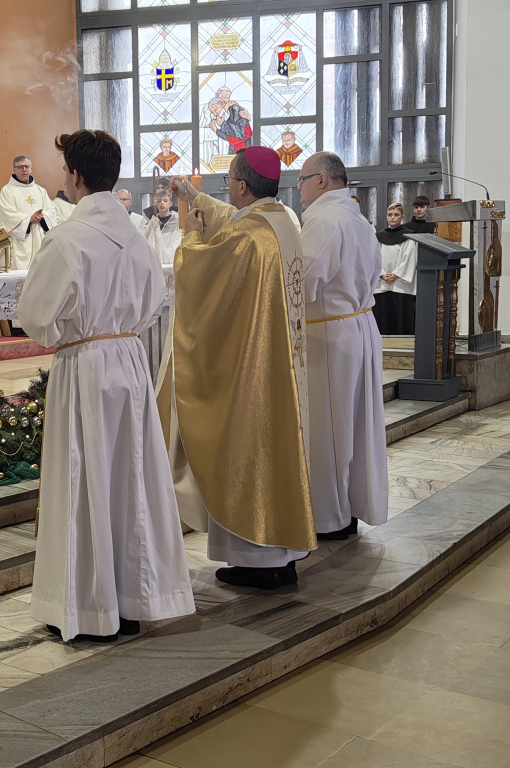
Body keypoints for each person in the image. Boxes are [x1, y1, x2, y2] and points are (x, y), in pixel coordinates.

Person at [17, 129, 194, 643]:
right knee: (131, 476)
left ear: (75, 176)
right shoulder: (138, 239)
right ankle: (136, 598)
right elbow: (154, 301)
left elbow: (36, 317)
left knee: (85, 475)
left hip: (85, 365)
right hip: (129, 360)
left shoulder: (67, 239)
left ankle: (90, 607)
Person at [162, 147, 315, 589]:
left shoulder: (249, 236)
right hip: (286, 363)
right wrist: (192, 195)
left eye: (229, 179)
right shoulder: (280, 223)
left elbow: (200, 273)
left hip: (256, 368)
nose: (227, 186)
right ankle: (284, 554)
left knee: (252, 446)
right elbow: (230, 218)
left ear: (244, 186)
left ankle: (259, 560)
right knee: (282, 450)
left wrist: (190, 237)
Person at [298, 152, 388, 539]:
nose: (299, 189)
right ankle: (350, 507)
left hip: (329, 335)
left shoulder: (325, 220)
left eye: (302, 180)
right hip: (358, 324)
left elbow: (301, 282)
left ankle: (328, 517)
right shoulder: (357, 218)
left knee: (328, 428)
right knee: (353, 426)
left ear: (321, 180)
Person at [0, 155, 57, 270]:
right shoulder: (7, 191)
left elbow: (51, 211)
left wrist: (42, 216)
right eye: (20, 167)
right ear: (14, 170)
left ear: (31, 169)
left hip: (40, 241)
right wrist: (29, 219)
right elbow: (7, 215)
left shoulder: (40, 190)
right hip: (19, 243)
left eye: (26, 166)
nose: (24, 170)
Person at [373, 203, 417, 335]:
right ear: (386, 217)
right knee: (383, 315)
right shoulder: (378, 236)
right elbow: (373, 257)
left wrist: (396, 274)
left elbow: (409, 258)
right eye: (390, 215)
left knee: (401, 315)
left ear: (402, 217)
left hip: (399, 283)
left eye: (396, 215)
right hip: (383, 282)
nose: (393, 217)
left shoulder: (409, 236)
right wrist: (381, 274)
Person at [144, 192, 182, 265]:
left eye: (165, 201)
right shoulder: (151, 223)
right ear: (156, 205)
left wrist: (164, 255)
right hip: (154, 261)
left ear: (171, 203)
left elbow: (176, 244)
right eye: (159, 201)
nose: (162, 203)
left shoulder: (177, 223)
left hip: (170, 261)